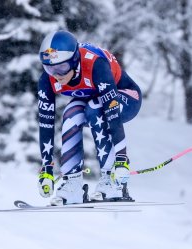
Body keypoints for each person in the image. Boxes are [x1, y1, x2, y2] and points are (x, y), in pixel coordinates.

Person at [36, 30, 142, 204]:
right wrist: (46, 169)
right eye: (49, 68)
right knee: (71, 113)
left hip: (127, 98)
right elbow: (45, 122)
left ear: (74, 59)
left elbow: (112, 113)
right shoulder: (47, 79)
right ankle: (73, 184)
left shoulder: (96, 65)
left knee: (95, 108)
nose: (57, 75)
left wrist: (122, 160)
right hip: (96, 102)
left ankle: (112, 181)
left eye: (62, 67)